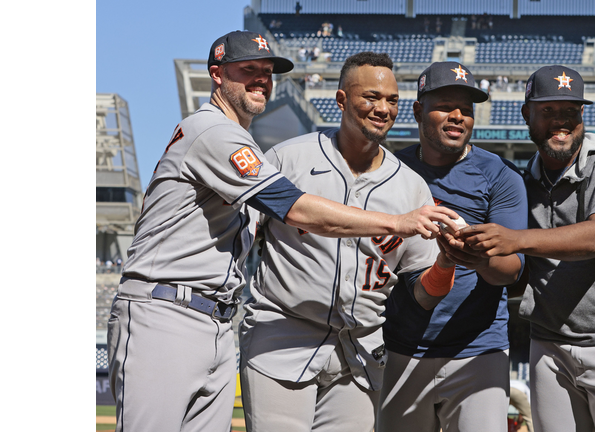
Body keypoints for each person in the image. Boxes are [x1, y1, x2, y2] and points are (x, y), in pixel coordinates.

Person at [107, 32, 458, 432]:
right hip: (167, 309)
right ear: (216, 75)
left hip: (219, 320)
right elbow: (294, 207)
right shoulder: (213, 132)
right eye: (248, 71)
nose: (261, 80)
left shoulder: (243, 142)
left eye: (267, 72)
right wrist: (396, 222)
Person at [237, 52, 459, 432]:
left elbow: (424, 294)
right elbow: (240, 239)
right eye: (370, 97)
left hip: (359, 352)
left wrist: (447, 262)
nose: (383, 108)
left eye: (392, 100)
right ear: (341, 100)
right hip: (283, 336)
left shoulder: (411, 186)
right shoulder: (287, 158)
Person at [452, 65, 595, 432]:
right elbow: (515, 271)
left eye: (570, 112)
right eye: (548, 111)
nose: (561, 122)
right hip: (548, 348)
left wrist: (515, 239)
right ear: (526, 114)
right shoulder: (518, 182)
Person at [377, 61, 528, 432]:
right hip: (400, 347)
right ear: (417, 110)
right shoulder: (389, 171)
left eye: (467, 109)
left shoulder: (500, 176)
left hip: (478, 350)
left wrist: (472, 257)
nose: (458, 116)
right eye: (445, 105)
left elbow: (512, 270)